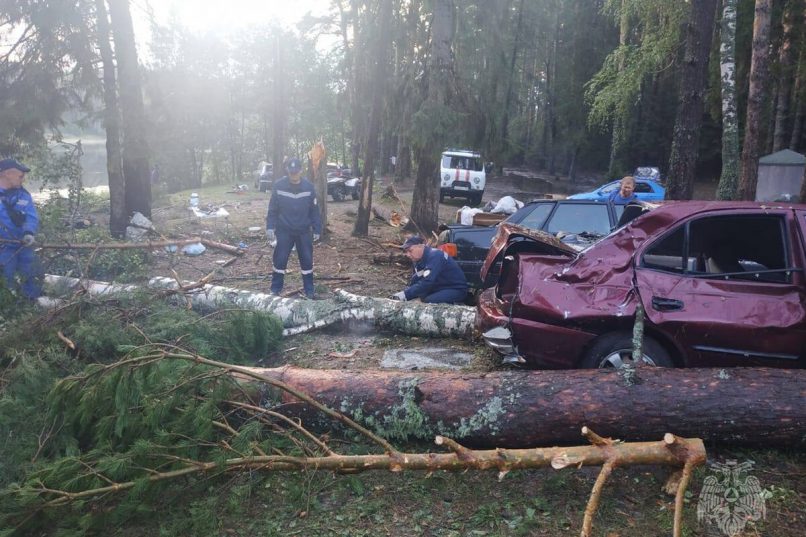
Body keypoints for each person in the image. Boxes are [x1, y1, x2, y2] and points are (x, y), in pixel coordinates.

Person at [265, 157, 322, 298]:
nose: (294, 175)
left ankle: (309, 291)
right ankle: (275, 289)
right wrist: (270, 227)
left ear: (301, 171)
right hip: (284, 230)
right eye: (291, 172)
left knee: (307, 261)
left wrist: (317, 228)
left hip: (304, 231)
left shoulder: (309, 187)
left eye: (296, 172)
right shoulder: (279, 186)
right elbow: (273, 209)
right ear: (287, 171)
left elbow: (314, 210)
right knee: (280, 260)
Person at [0, 158, 41, 299]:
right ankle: (9, 306)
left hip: (23, 245)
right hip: (3, 248)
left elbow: (31, 216)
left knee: (31, 274)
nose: (23, 179)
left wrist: (29, 232)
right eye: (20, 176)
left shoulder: (23, 195)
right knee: (6, 279)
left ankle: (31, 303)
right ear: (7, 174)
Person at [391, 236, 468, 304]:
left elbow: (427, 282)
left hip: (455, 289)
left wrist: (406, 294)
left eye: (410, 250)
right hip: (439, 287)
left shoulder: (435, 256)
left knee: (429, 301)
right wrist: (405, 295)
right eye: (406, 252)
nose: (407, 255)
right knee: (421, 297)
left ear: (420, 246)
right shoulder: (417, 260)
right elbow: (416, 280)